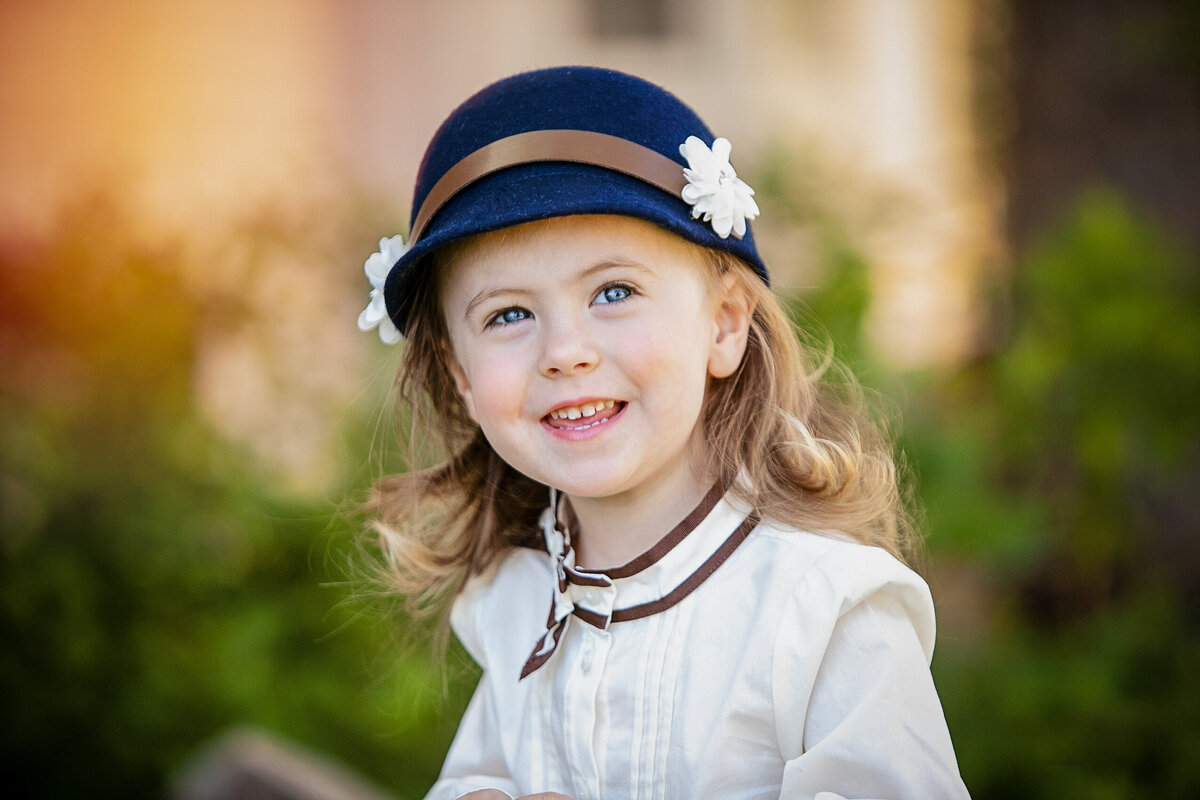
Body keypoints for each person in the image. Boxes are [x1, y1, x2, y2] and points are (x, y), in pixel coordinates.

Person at [356, 66, 970, 800]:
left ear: (724, 323)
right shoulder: (517, 599)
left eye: (614, 292)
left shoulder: (823, 610)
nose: (565, 351)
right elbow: (476, 776)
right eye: (507, 315)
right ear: (459, 373)